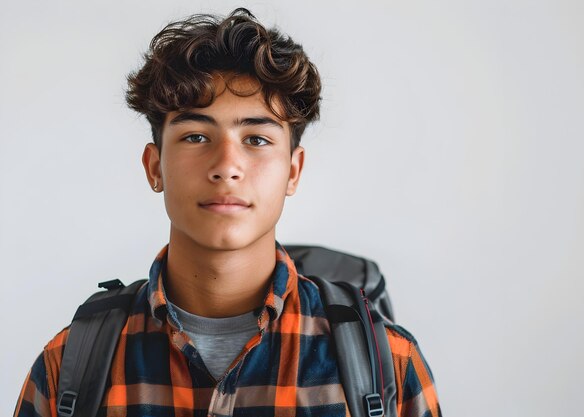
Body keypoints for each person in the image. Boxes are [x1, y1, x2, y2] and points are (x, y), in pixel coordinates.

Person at [14, 8, 440, 417]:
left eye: (256, 139)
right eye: (197, 136)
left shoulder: (390, 367)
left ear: (293, 172)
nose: (226, 166)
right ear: (154, 166)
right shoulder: (67, 365)